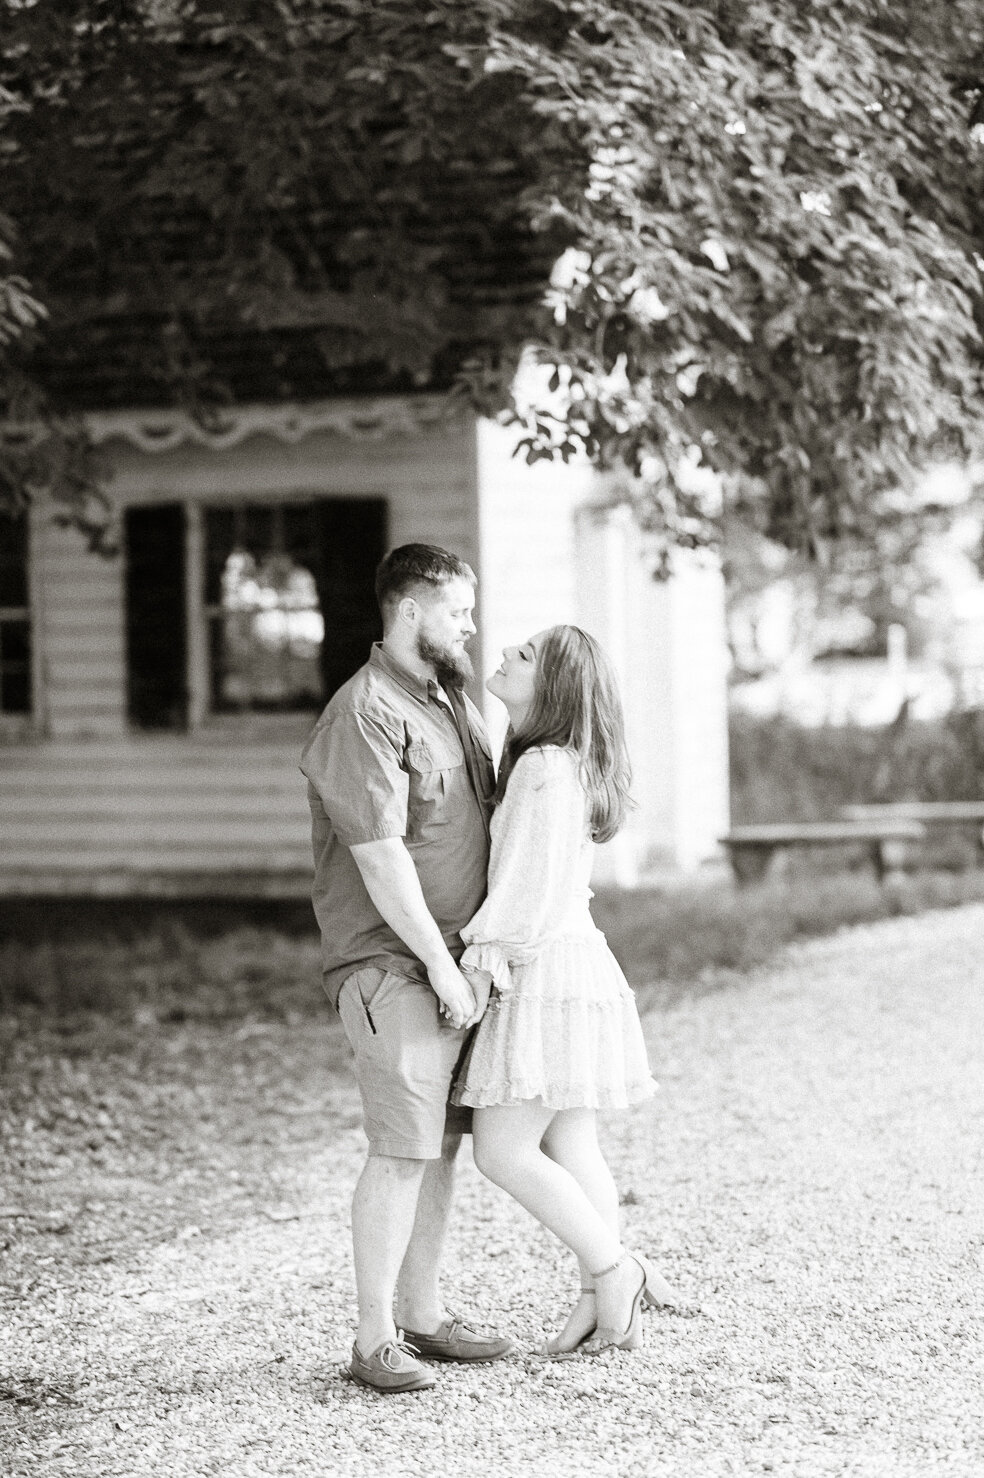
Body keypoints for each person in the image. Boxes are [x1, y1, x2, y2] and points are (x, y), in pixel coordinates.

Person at [299, 544, 513, 1394]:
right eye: (458, 610)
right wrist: (442, 968)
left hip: (457, 963)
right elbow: (382, 860)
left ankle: (422, 1315)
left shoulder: (447, 699)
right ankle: (372, 1338)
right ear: (411, 610)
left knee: (442, 1149)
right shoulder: (362, 714)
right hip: (393, 966)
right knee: (398, 1149)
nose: (469, 625)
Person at [451, 624, 694, 1355]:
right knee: (568, 1136)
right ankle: (601, 1292)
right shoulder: (559, 763)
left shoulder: (544, 769)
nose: (503, 654)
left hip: (544, 966)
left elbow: (527, 888)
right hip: (572, 962)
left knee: (501, 1152)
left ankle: (614, 1267)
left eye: (523, 655)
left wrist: (475, 968)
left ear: (553, 686)